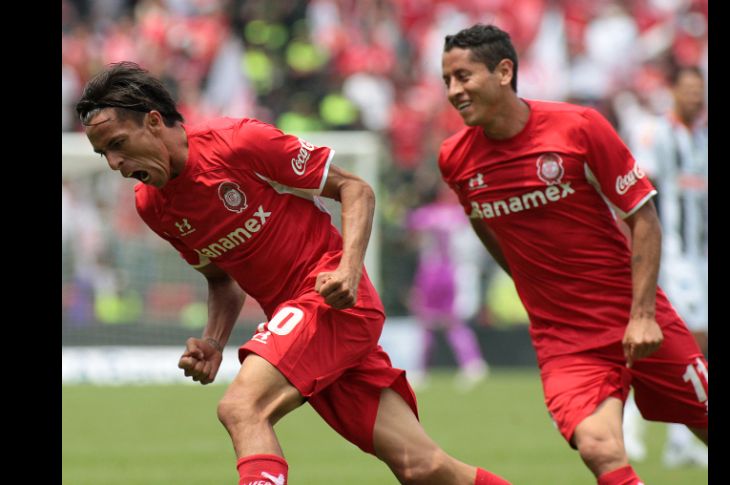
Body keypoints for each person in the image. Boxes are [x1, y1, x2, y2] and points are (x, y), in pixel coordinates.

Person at [76, 62, 511, 485]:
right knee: (424, 469)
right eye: (104, 153)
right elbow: (222, 280)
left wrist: (348, 269)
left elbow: (355, 188)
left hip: (330, 298)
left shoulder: (237, 142)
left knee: (242, 408)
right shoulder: (152, 205)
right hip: (303, 325)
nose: (113, 162)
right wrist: (213, 341)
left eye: (118, 143)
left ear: (154, 122)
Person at [438, 25, 707, 485]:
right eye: (447, 80)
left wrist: (643, 315)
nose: (453, 91)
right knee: (599, 447)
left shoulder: (579, 127)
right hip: (564, 339)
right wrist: (531, 282)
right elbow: (482, 221)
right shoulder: (455, 158)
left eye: (463, 76)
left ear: (504, 72)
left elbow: (643, 218)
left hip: (634, 315)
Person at [622, 66, 708, 468]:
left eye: (699, 91)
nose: (695, 97)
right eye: (688, 90)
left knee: (682, 347)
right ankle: (639, 428)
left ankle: (677, 438)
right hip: (671, 255)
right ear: (674, 92)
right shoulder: (656, 133)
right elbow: (640, 198)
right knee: (689, 338)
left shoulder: (702, 138)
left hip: (700, 255)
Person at [406, 185, 489, 390]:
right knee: (452, 322)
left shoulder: (424, 215)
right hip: (452, 272)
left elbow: (412, 238)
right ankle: (473, 364)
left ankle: (421, 371)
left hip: (431, 272)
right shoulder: (460, 214)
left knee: (427, 323)